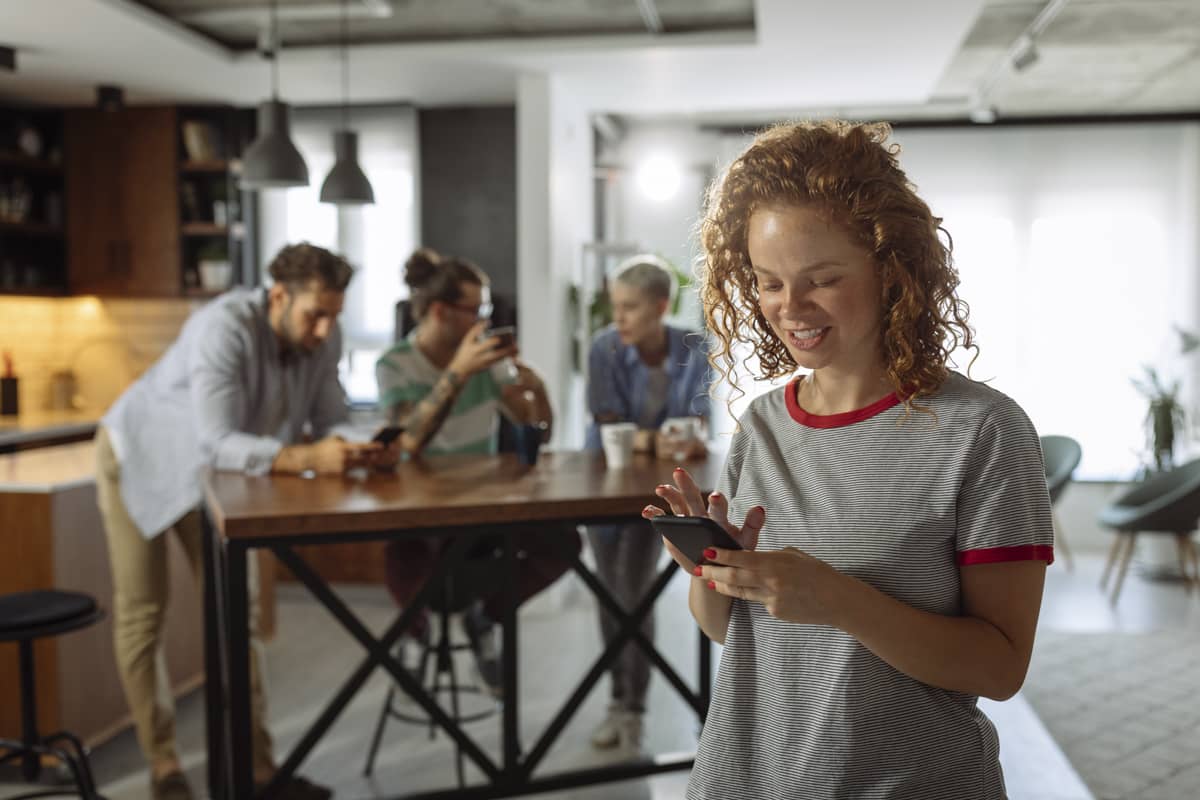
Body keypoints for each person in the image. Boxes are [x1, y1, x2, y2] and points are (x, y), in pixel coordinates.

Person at [645, 121, 1054, 799]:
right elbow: (734, 634)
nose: (789, 308)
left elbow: (1000, 668)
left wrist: (836, 599)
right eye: (768, 282)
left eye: (822, 279)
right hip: (745, 780)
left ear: (892, 270)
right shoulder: (763, 424)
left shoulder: (983, 430)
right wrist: (712, 575)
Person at [96, 243, 391, 800]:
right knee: (144, 612)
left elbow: (330, 419)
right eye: (315, 315)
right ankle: (164, 767)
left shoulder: (323, 338)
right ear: (278, 296)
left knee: (239, 615)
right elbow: (216, 438)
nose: (325, 330)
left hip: (219, 474)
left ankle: (258, 771)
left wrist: (361, 446)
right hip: (141, 455)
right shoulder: (223, 328)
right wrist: (305, 459)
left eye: (334, 315)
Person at [376, 247, 580, 695]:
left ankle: (486, 617)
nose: (484, 320)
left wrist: (537, 390)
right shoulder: (394, 364)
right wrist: (456, 373)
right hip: (417, 511)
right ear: (441, 312)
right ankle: (417, 631)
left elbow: (535, 432)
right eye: (477, 310)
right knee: (403, 553)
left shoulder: (487, 362)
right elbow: (408, 439)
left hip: (480, 506)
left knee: (564, 543)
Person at [584, 254, 711, 753]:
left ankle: (631, 709)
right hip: (603, 488)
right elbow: (608, 423)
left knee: (631, 597)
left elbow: (694, 426)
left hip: (658, 492)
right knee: (611, 596)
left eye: (630, 308)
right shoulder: (603, 348)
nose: (619, 320)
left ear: (661, 305)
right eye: (616, 307)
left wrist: (668, 440)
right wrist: (656, 439)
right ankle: (621, 702)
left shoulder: (693, 347)